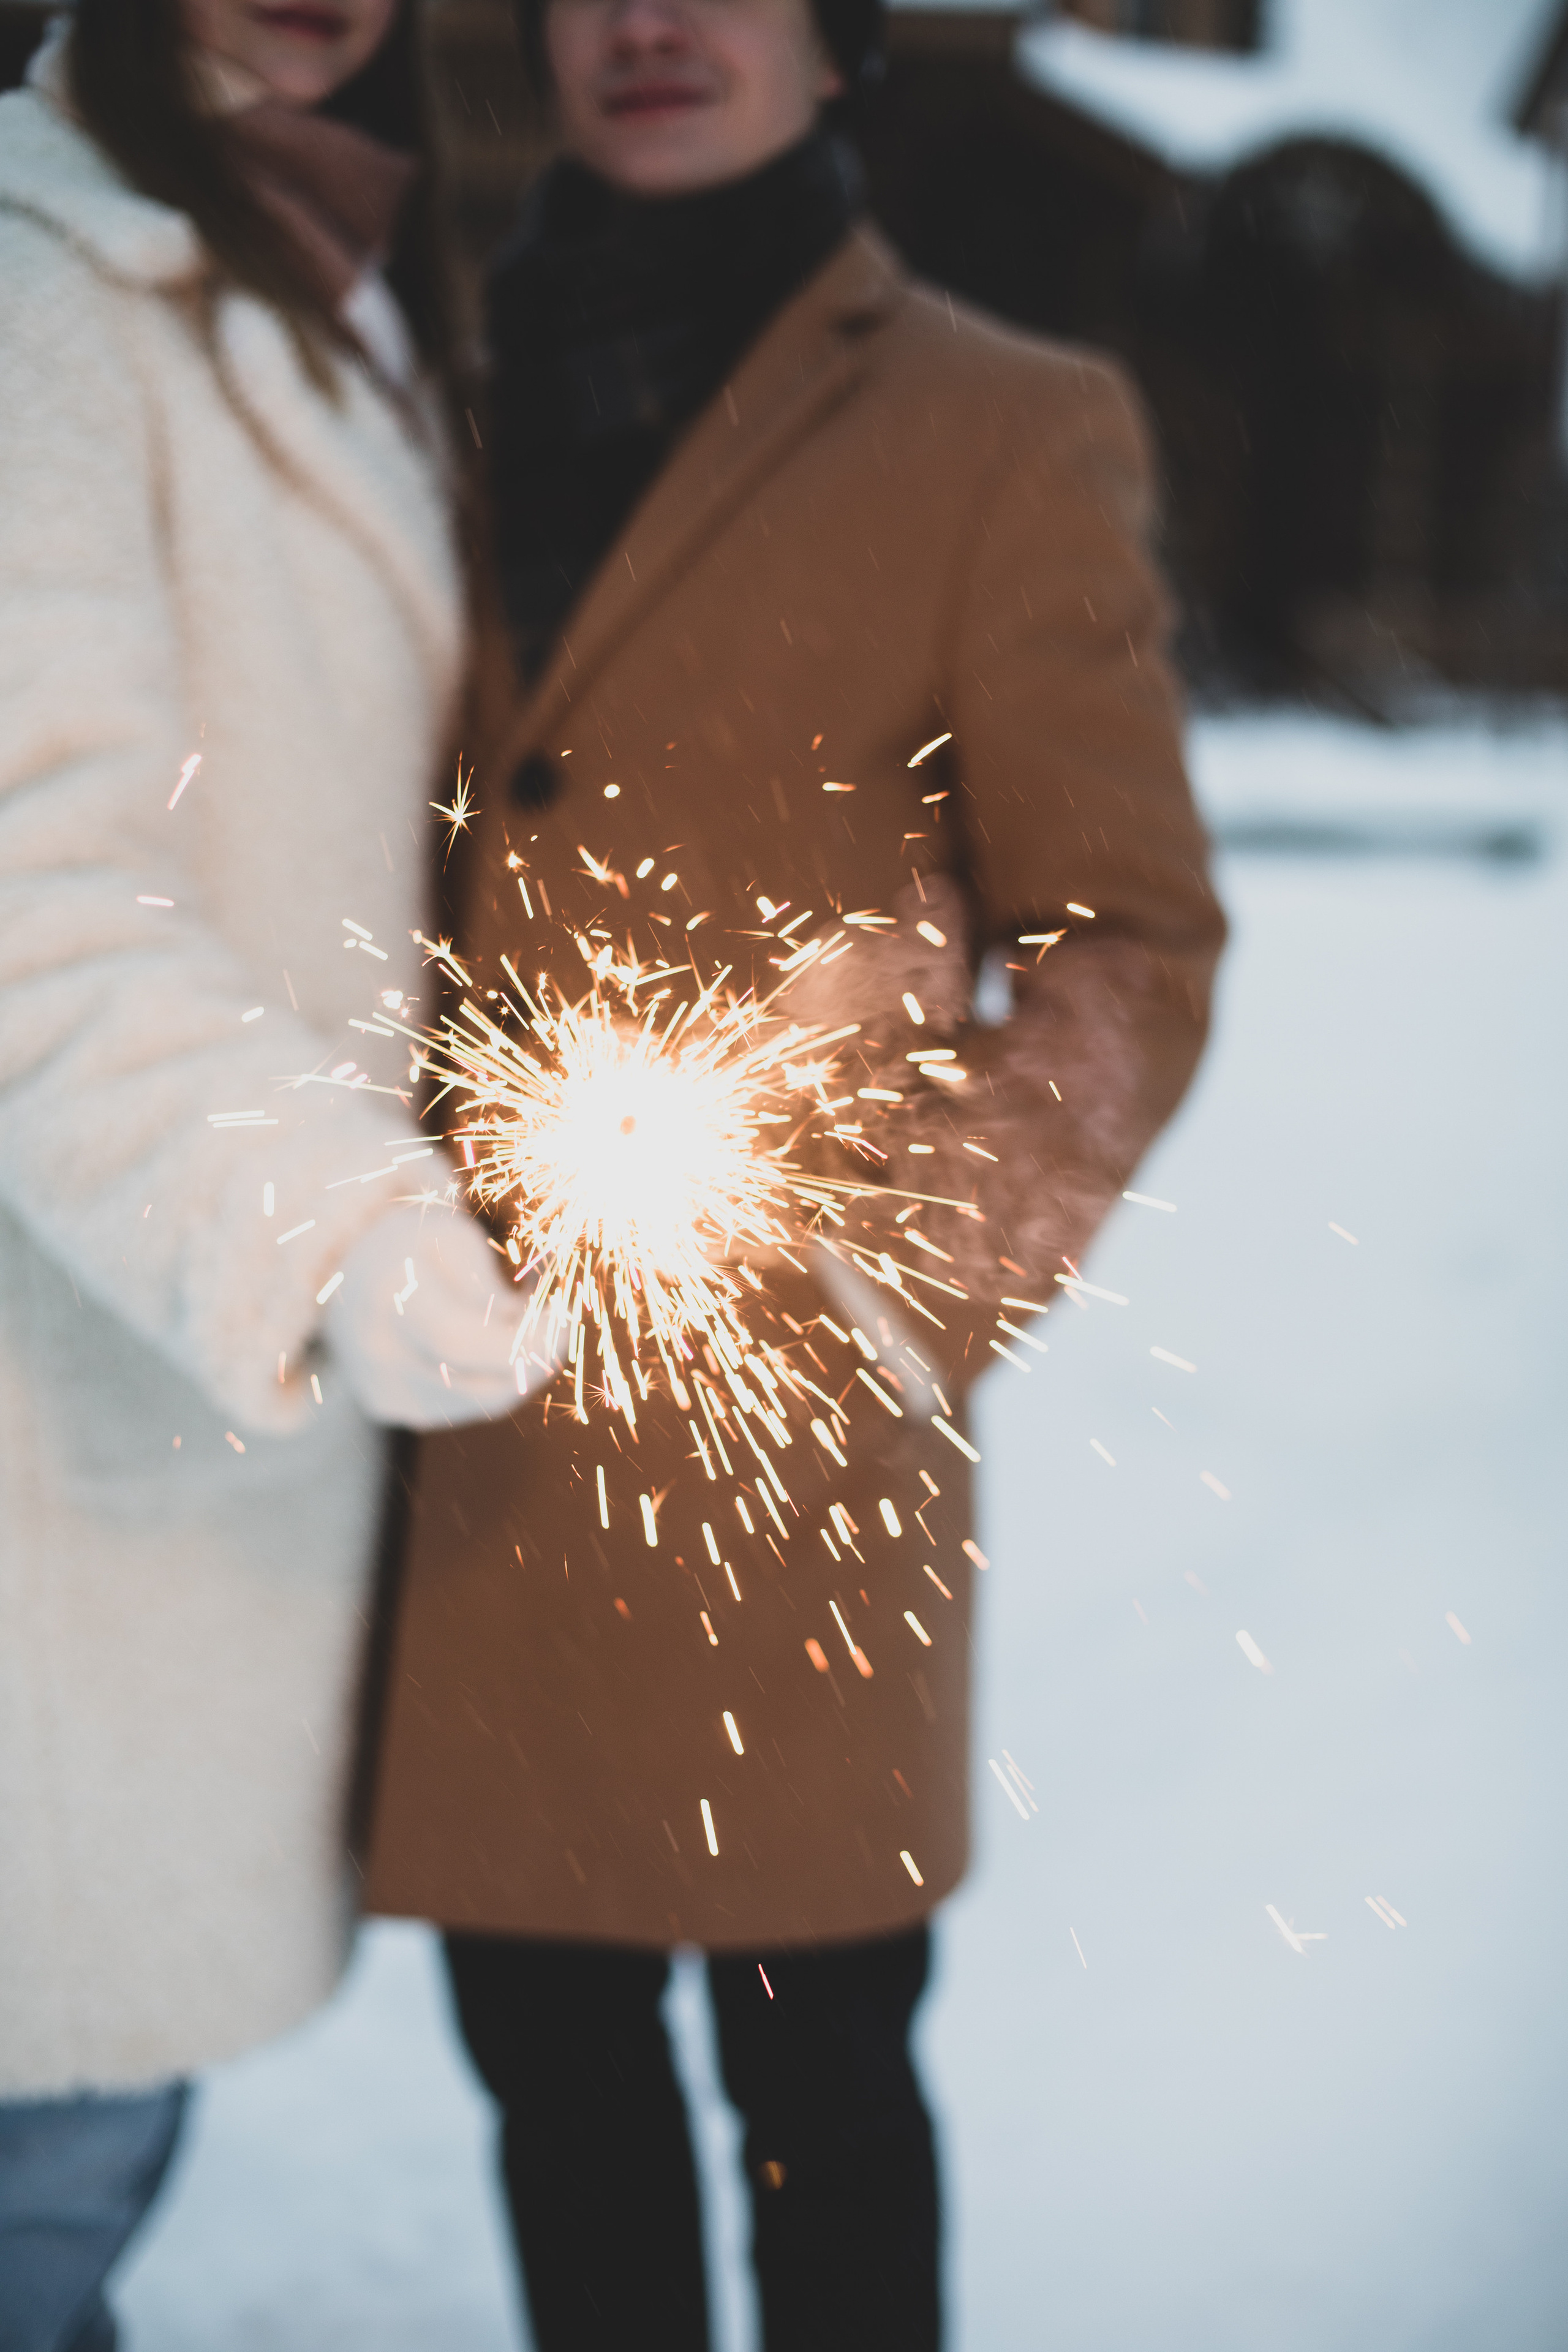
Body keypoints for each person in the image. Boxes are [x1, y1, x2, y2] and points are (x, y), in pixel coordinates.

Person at [363, 0, 1225, 2342]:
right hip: (456, 1417)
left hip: (791, 1452)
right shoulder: (404, 403)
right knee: (549, 2082)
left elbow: (1127, 941)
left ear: (838, 45)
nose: (650, 25)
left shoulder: (998, 423)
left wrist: (898, 1298)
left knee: (817, 2092)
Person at [0, 5, 529, 2346]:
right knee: (49, 2171)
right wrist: (336, 1222)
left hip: (191, 1433)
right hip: (71, 1429)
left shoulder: (349, 270)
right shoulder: (40, 294)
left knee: (83, 2175)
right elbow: (29, 902)